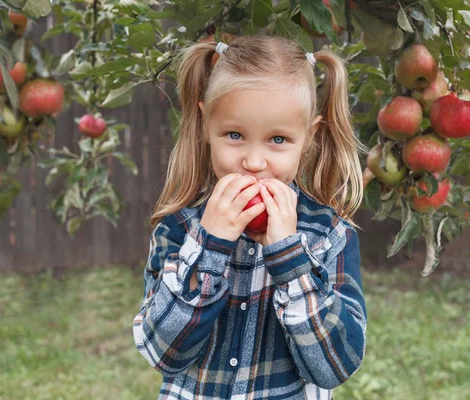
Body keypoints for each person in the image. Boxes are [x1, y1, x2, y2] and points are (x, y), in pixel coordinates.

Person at [132, 35, 367, 400]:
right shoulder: (180, 228)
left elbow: (335, 366)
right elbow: (162, 353)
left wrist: (290, 258)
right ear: (206, 125)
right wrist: (208, 246)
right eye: (235, 135)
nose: (254, 162)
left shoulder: (328, 235)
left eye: (277, 139)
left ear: (308, 137)